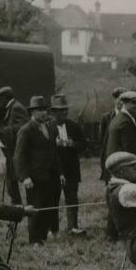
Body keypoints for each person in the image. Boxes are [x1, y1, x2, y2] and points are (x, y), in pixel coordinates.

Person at [14, 96, 66, 245]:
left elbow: (55, 153)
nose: (43, 113)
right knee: (36, 207)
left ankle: (45, 235)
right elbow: (19, 157)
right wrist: (25, 177)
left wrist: (61, 173)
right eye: (39, 110)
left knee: (49, 206)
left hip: (51, 176)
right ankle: (35, 239)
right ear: (32, 112)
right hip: (35, 177)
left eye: (44, 110)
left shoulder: (50, 127)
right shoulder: (26, 130)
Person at [104, 90, 136, 241]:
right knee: (126, 200)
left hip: (118, 167)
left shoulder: (124, 118)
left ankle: (114, 233)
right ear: (123, 103)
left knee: (118, 201)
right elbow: (130, 149)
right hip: (123, 167)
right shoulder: (125, 122)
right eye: (133, 103)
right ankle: (115, 234)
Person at [49, 94, 88, 236]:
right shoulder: (47, 127)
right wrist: (55, 143)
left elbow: (84, 143)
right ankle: (53, 229)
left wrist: (73, 144)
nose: (65, 112)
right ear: (53, 112)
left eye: (65, 109)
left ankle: (73, 227)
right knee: (53, 200)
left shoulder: (73, 126)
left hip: (71, 170)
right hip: (53, 171)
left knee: (72, 198)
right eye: (61, 110)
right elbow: (41, 148)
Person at [0, 86, 30, 204]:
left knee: (18, 181)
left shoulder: (17, 108)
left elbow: (24, 127)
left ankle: (20, 207)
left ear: (5, 97)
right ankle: (16, 208)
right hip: (11, 152)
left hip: (17, 152)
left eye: (0, 99)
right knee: (11, 184)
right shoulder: (12, 107)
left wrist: (3, 131)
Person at [99, 86, 127, 182]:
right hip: (111, 156)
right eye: (119, 99)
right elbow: (102, 138)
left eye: (124, 100)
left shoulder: (130, 117)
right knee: (111, 183)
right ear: (115, 100)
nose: (121, 103)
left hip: (126, 156)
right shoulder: (106, 118)